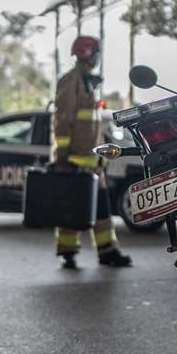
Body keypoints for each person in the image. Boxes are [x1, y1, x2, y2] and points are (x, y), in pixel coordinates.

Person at [52, 36, 132, 269]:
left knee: (100, 208)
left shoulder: (88, 83)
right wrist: (63, 157)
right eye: (95, 53)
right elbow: (63, 122)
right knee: (73, 208)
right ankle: (68, 252)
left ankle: (107, 251)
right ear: (89, 55)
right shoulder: (71, 82)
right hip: (75, 161)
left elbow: (91, 125)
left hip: (92, 161)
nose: (97, 58)